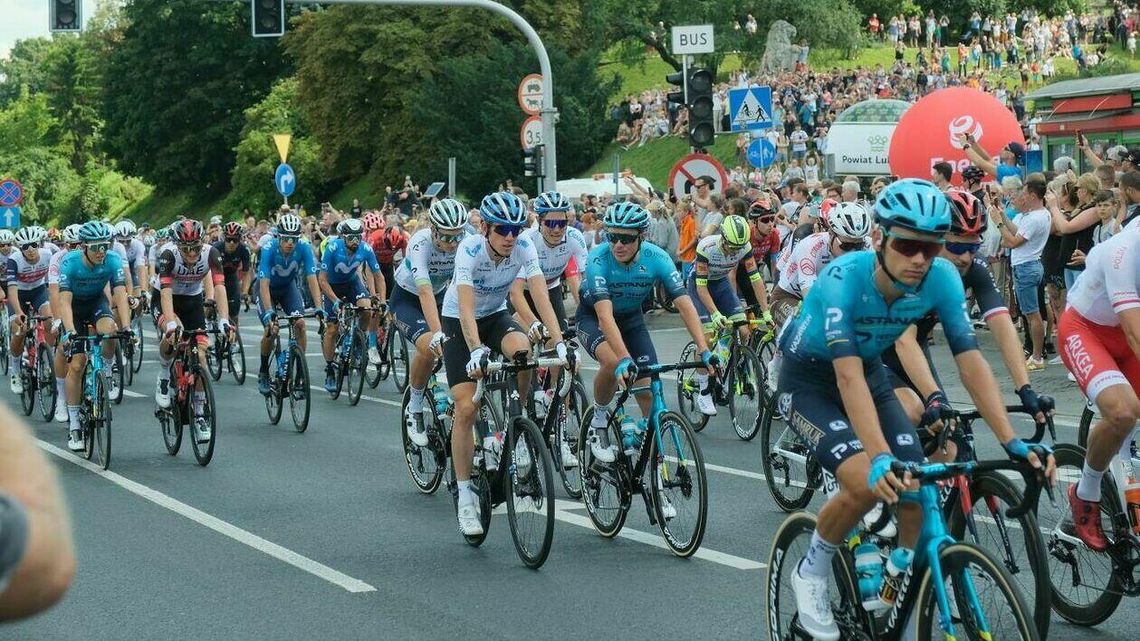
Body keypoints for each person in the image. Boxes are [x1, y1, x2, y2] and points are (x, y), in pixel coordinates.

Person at [781, 179, 1054, 640]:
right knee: (863, 480)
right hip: (808, 380)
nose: (919, 259)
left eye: (931, 248)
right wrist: (878, 457)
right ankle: (812, 569)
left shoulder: (942, 278)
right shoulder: (843, 278)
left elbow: (971, 361)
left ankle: (898, 583)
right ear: (881, 239)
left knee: (915, 497)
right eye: (907, 245)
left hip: (869, 373)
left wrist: (1010, 439)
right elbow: (845, 380)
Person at [883, 189, 1053, 449]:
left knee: (949, 442)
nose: (966, 256)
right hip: (871, 352)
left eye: (973, 247)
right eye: (956, 246)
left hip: (915, 348)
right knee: (912, 412)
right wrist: (933, 397)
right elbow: (902, 341)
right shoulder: (910, 268)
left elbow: (1003, 328)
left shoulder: (974, 268)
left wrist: (1025, 388)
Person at [440, 192, 567, 536]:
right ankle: (465, 493)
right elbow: (465, 307)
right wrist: (476, 350)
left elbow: (540, 294)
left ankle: (517, 424)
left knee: (524, 351)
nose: (510, 236)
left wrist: (559, 342)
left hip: (495, 315)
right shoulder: (469, 251)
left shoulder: (523, 246)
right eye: (502, 229)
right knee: (466, 407)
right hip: (458, 322)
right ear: (484, 227)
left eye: (516, 228)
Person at [578, 201, 716, 472]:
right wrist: (624, 359)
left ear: (642, 237)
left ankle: (649, 463)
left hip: (631, 320)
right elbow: (605, 318)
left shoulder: (657, 258)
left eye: (626, 239)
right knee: (611, 362)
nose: (617, 244)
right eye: (612, 236)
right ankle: (599, 418)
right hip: (594, 317)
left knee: (648, 392)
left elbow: (685, 303)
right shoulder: (598, 259)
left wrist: (703, 349)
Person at [1060, 219, 1140, 551]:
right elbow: (1135, 336)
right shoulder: (1123, 251)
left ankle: (1129, 498)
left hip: (1126, 334)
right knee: (1123, 412)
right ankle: (1086, 492)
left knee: (1130, 433)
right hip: (1086, 330)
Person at [152, 220, 232, 443]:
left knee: (201, 354)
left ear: (202, 243)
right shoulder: (168, 255)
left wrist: (224, 319)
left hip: (192, 301)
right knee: (174, 332)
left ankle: (199, 414)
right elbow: (166, 292)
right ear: (177, 246)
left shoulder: (211, 253)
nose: (191, 253)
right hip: (166, 300)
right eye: (185, 248)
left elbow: (219, 287)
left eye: (195, 247)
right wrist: (170, 324)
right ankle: (164, 374)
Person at [398, 199, 468, 447]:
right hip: (408, 299)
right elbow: (424, 292)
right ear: (434, 229)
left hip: (441, 298)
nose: (453, 244)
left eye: (457, 237)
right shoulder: (420, 243)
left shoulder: (465, 240)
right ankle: (414, 407)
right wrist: (438, 333)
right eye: (447, 238)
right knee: (429, 345)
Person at [57, 221, 133, 452]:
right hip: (75, 310)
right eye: (96, 247)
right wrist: (69, 331)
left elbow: (120, 294)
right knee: (78, 364)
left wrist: (127, 326)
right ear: (83, 247)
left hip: (96, 303)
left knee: (110, 331)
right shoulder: (69, 263)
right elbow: (65, 303)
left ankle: (107, 369)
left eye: (105, 245)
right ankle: (75, 426)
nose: (101, 251)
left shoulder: (112, 260)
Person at [687, 214, 771, 415]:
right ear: (722, 238)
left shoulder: (744, 247)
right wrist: (715, 313)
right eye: (731, 247)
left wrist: (766, 311)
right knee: (706, 339)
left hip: (722, 285)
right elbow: (701, 287)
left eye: (737, 248)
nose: (734, 252)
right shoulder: (706, 247)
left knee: (743, 330)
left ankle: (737, 369)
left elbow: (756, 279)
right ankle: (704, 390)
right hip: (700, 287)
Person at [255, 214, 323, 396]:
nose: (290, 243)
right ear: (279, 237)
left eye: (294, 239)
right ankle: (263, 370)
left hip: (288, 289)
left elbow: (312, 280)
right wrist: (269, 311)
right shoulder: (269, 249)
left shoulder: (304, 248)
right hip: (267, 290)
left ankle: (300, 373)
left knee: (300, 324)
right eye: (286, 239)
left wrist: (319, 307)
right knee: (272, 329)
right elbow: (263, 284)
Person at [990, 176, 1051, 370]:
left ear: (1033, 195)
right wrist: (1004, 217)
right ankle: (1036, 354)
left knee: (1032, 315)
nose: (1021, 197)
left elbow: (1011, 242)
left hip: (1026, 267)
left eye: (1024, 193)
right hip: (1029, 265)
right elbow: (1018, 233)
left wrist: (999, 223)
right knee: (1031, 314)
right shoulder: (1039, 214)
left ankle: (1037, 356)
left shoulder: (1035, 217)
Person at [317, 218, 385, 392]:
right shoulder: (332, 248)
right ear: (343, 237)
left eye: (358, 237)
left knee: (367, 308)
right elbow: (322, 280)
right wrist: (335, 300)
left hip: (352, 283)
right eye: (351, 238)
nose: (355, 241)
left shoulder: (365, 248)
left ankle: (358, 340)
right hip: (332, 286)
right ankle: (330, 368)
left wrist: (382, 301)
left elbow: (379, 276)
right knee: (332, 329)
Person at [6, 228, 53, 394]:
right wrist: (19, 313)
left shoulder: (48, 254)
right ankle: (16, 371)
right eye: (26, 247)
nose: (31, 249)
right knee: (20, 330)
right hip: (19, 294)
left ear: (39, 244)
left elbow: (54, 283)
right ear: (20, 249)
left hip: (39, 290)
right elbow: (11, 291)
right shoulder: (14, 260)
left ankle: (48, 360)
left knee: (50, 321)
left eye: (34, 245)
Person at [212, 222, 252, 330]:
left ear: (240, 239)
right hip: (215, 277)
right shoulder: (216, 248)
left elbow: (246, 273)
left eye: (235, 240)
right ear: (224, 238)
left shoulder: (244, 250)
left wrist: (245, 292)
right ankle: (208, 321)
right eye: (228, 239)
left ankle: (234, 339)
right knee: (210, 305)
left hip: (231, 277)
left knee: (234, 312)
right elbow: (206, 271)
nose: (231, 243)